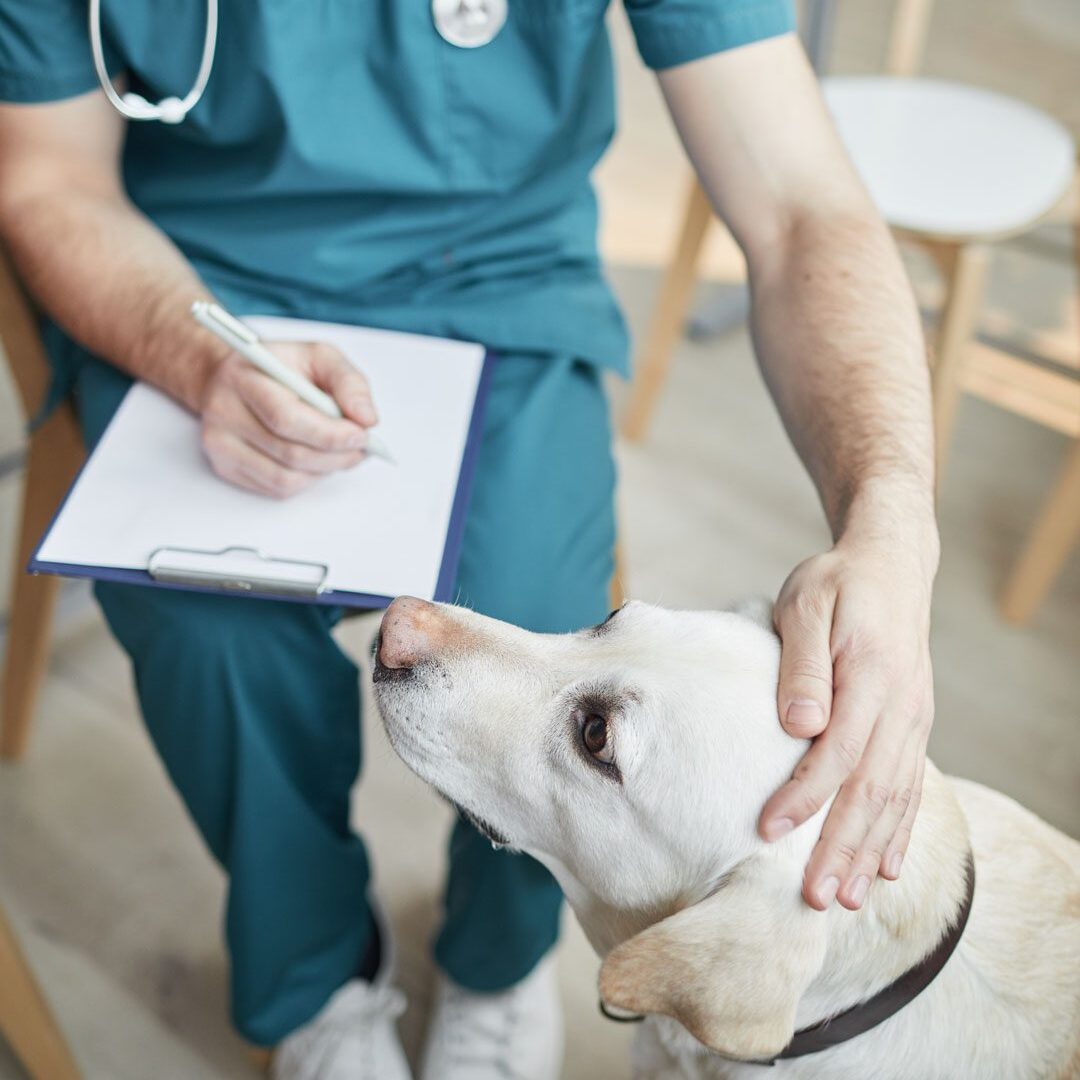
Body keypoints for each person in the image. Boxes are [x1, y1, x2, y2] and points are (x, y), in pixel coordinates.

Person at [0, 2, 940, 1077]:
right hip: (198, 287)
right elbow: (47, 178)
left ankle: (499, 963)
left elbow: (799, 205)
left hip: (494, 287)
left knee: (545, 618)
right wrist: (191, 349)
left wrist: (893, 519)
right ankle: (317, 978)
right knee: (213, 639)